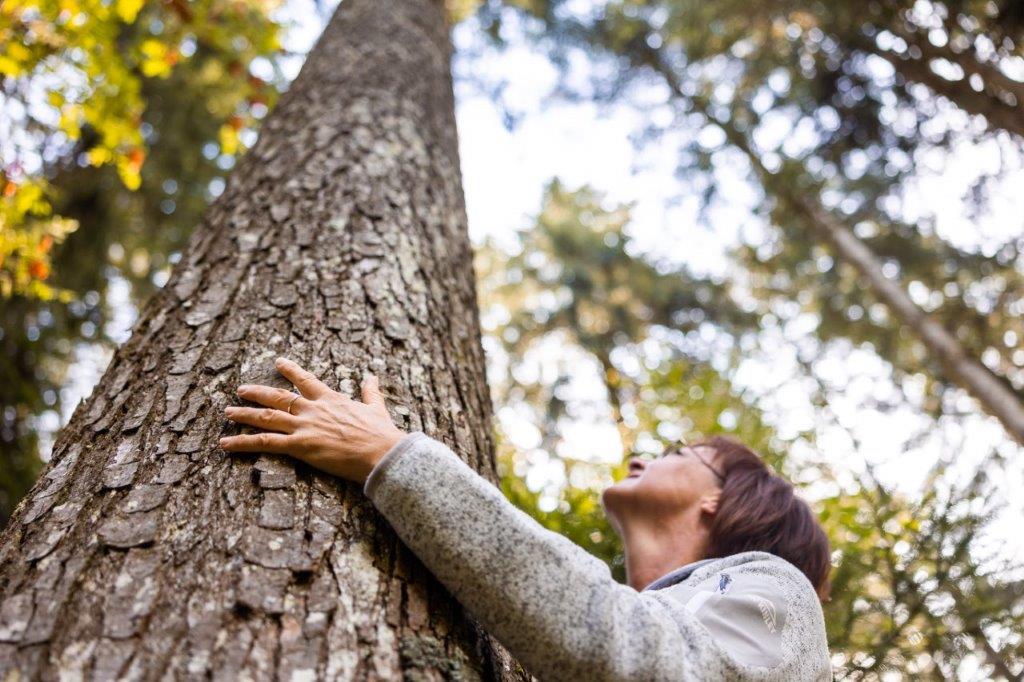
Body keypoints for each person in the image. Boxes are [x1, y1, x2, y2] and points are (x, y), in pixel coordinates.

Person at [220, 357, 833, 681]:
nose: (643, 455)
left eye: (678, 453)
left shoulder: (778, 589)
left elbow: (644, 662)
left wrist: (391, 456)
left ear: (720, 501)